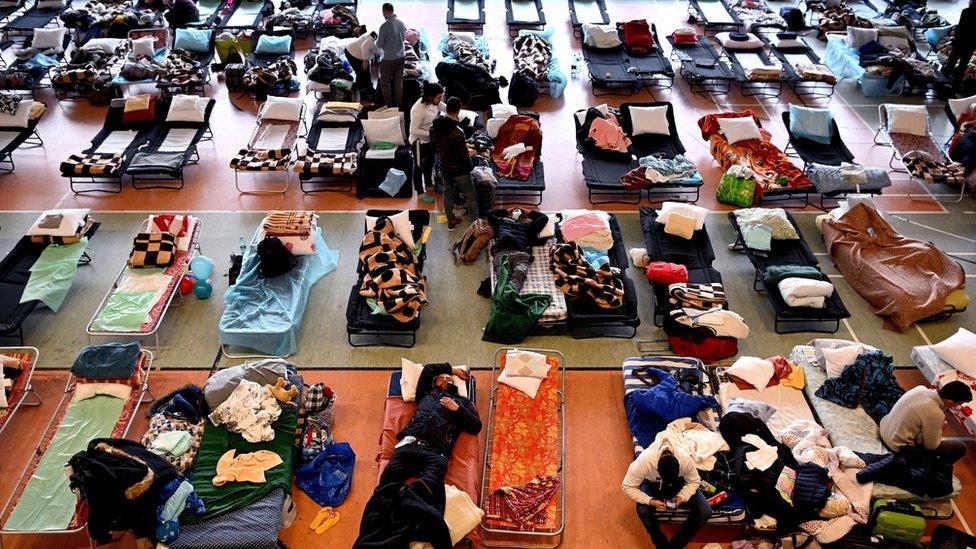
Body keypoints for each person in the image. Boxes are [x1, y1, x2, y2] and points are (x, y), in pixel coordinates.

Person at [354, 363, 481, 547]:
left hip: (436, 451)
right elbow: (429, 369)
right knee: (386, 486)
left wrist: (457, 409)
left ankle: (406, 516)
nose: (445, 380)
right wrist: (452, 370)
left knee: (430, 488)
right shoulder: (425, 395)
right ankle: (381, 534)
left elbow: (476, 426)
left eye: (449, 379)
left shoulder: (463, 402)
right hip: (408, 445)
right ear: (434, 383)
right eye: (441, 378)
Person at [622, 444, 712, 549]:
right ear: (657, 470)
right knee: (643, 510)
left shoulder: (684, 459)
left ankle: (675, 545)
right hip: (652, 483)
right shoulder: (644, 462)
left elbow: (695, 480)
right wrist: (650, 501)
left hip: (678, 483)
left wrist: (680, 497)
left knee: (705, 510)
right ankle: (660, 544)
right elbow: (627, 487)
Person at [879, 381, 972, 465]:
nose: (959, 406)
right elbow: (931, 446)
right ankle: (936, 468)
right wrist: (940, 428)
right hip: (895, 445)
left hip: (884, 428)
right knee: (960, 448)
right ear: (950, 402)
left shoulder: (920, 388)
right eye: (959, 403)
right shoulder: (936, 413)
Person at [430, 97, 480, 231]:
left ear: (446, 109)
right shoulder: (458, 132)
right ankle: (476, 223)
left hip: (444, 166)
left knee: (448, 193)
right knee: (470, 195)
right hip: (459, 170)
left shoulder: (436, 125)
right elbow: (463, 157)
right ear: (458, 111)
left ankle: (451, 221)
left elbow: (436, 144)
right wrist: (471, 154)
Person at [409, 82, 445, 204]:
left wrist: (455, 112)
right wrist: (431, 133)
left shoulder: (434, 103)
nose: (441, 100)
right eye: (439, 97)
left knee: (430, 163)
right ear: (430, 97)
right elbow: (413, 130)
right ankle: (420, 192)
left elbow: (445, 108)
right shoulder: (419, 109)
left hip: (430, 140)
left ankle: (429, 185)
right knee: (419, 167)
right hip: (419, 142)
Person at [375, 2, 406, 106]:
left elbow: (379, 44)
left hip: (388, 59)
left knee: (384, 83)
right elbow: (404, 38)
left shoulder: (384, 26)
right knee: (398, 82)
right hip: (401, 57)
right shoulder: (401, 23)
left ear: (384, 11)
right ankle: (399, 104)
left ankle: (389, 105)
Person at [943, 0, 976, 90]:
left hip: (960, 42)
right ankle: (956, 86)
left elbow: (960, 28)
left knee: (951, 62)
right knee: (962, 65)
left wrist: (954, 38)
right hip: (971, 45)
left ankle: (942, 81)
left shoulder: (966, 11)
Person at [345, 25, 378, 100]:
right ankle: (361, 94)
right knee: (361, 73)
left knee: (366, 73)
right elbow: (364, 46)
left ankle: (370, 90)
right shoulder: (375, 34)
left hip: (360, 54)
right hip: (352, 53)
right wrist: (365, 60)